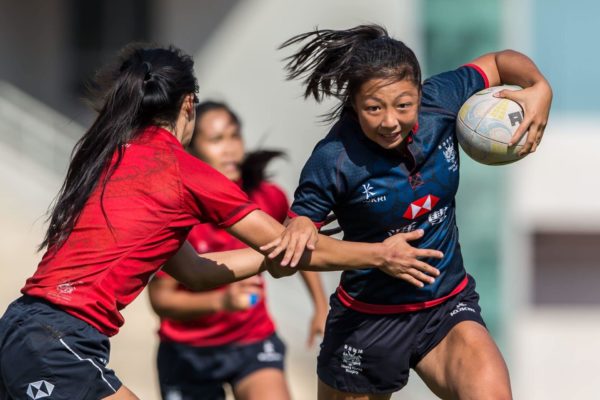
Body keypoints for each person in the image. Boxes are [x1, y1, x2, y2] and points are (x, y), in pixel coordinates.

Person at [0, 43, 441, 400]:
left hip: (26, 328)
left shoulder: (114, 156)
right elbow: (299, 248)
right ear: (189, 104)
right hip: (58, 340)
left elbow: (194, 271)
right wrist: (380, 254)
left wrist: (273, 257)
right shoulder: (180, 171)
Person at [275, 24, 552, 400]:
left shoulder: (442, 100)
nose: (390, 121)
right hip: (368, 321)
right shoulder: (334, 159)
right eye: (374, 108)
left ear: (420, 94)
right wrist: (376, 254)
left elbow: (500, 62)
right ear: (354, 104)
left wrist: (539, 87)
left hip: (447, 306)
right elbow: (298, 248)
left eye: (403, 105)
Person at [148, 100, 328, 400]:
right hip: (186, 354)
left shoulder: (267, 197)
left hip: (253, 342)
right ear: (192, 149)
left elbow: (297, 247)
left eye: (234, 136)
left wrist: (321, 307)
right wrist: (222, 301)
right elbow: (161, 300)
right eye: (217, 140)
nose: (230, 148)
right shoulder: (177, 212)